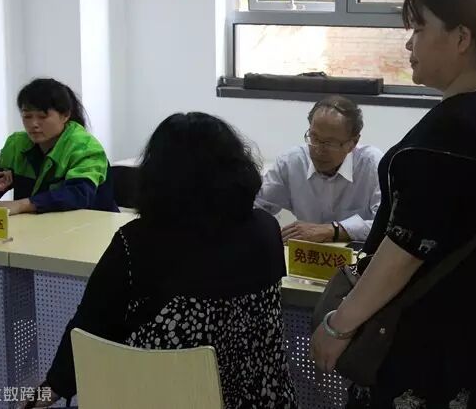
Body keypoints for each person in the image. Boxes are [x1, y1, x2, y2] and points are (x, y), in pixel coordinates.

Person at [311, 0, 476, 408]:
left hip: (419, 353)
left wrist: (338, 325)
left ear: (462, 38)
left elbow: (403, 253)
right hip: (475, 352)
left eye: (419, 30)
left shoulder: (449, 136)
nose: (409, 45)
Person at [25, 113, 297, 408]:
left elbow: (92, 324)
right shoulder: (266, 229)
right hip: (263, 399)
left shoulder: (138, 241)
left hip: (160, 397)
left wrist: (52, 387)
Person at [0, 78, 117, 214]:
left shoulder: (85, 147)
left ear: (65, 115)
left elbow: (78, 194)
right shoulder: (17, 144)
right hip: (39, 228)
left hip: (91, 227)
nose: (33, 124)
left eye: (42, 116)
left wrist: (22, 205)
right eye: (27, 116)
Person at [256, 95, 382, 243]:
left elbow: (388, 226)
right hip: (307, 254)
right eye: (314, 138)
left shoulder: (372, 165)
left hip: (358, 255)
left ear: (353, 143)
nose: (319, 150)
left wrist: (333, 230)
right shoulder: (291, 162)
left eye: (330, 143)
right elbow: (257, 207)